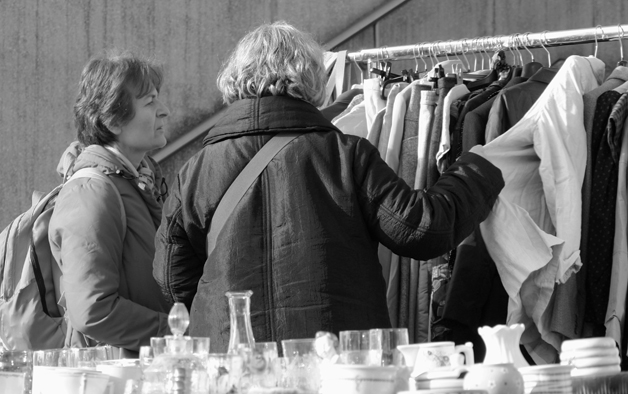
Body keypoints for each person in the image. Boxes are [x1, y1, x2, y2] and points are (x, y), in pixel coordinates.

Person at [153, 22, 505, 353]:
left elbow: (173, 280)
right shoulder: (345, 156)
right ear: (309, 78)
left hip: (229, 356)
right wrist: (480, 167)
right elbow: (423, 229)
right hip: (333, 358)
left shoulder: (195, 170)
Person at [49, 50, 172, 354]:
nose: (164, 111)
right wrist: (179, 334)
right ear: (113, 120)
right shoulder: (91, 192)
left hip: (139, 375)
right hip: (113, 384)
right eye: (149, 102)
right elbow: (93, 309)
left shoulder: (137, 183)